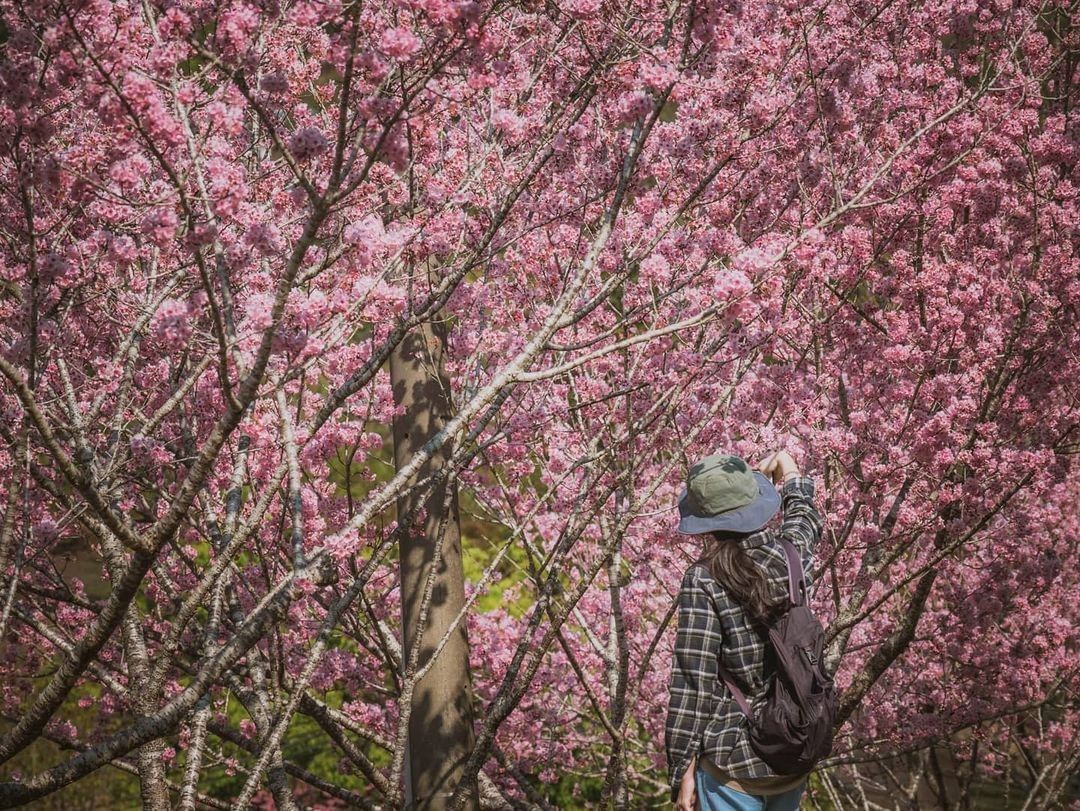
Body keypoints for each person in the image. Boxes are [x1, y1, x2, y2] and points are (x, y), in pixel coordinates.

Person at [665, 450, 824, 811]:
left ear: (705, 520)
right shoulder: (792, 554)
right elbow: (804, 516)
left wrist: (682, 770)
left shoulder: (705, 579)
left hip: (733, 763)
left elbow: (693, 683)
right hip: (792, 749)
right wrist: (787, 468)